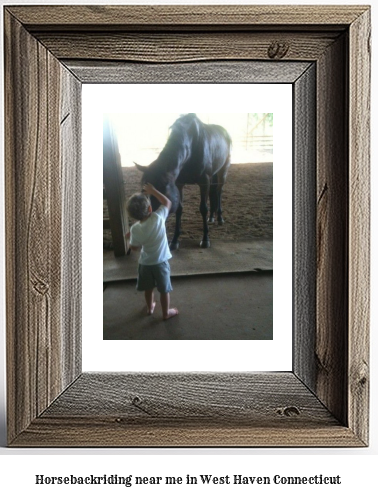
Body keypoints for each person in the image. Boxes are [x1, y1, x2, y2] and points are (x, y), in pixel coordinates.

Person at [126, 183, 178, 320]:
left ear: (132, 215)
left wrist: (131, 237)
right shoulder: (158, 218)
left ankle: (150, 308)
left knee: (148, 288)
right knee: (164, 290)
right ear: (150, 208)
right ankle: (166, 313)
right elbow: (167, 202)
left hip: (145, 264)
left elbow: (134, 248)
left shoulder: (135, 229)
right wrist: (153, 191)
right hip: (161, 263)